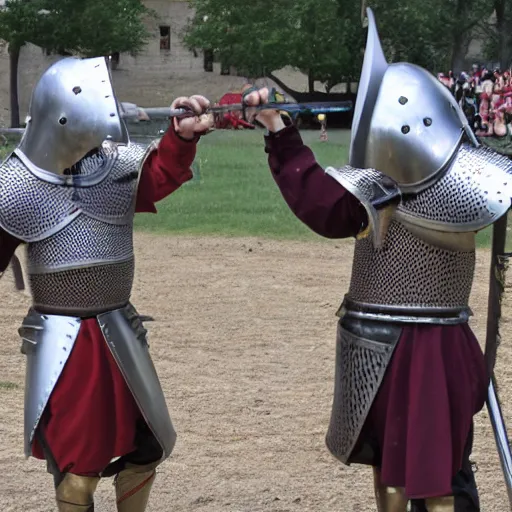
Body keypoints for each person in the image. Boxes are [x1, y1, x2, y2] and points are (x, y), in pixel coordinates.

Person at [242, 8, 512, 511]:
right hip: (426, 344)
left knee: (426, 478)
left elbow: (321, 204)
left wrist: (280, 133)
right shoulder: (466, 185)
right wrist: (279, 128)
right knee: (416, 470)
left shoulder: (383, 196)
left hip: (408, 349)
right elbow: (324, 203)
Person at [0, 56, 213, 511]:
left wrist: (182, 136)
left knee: (148, 448)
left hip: (120, 330)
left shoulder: (115, 169)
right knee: (79, 470)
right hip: (66, 344)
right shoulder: (17, 186)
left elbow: (159, 176)